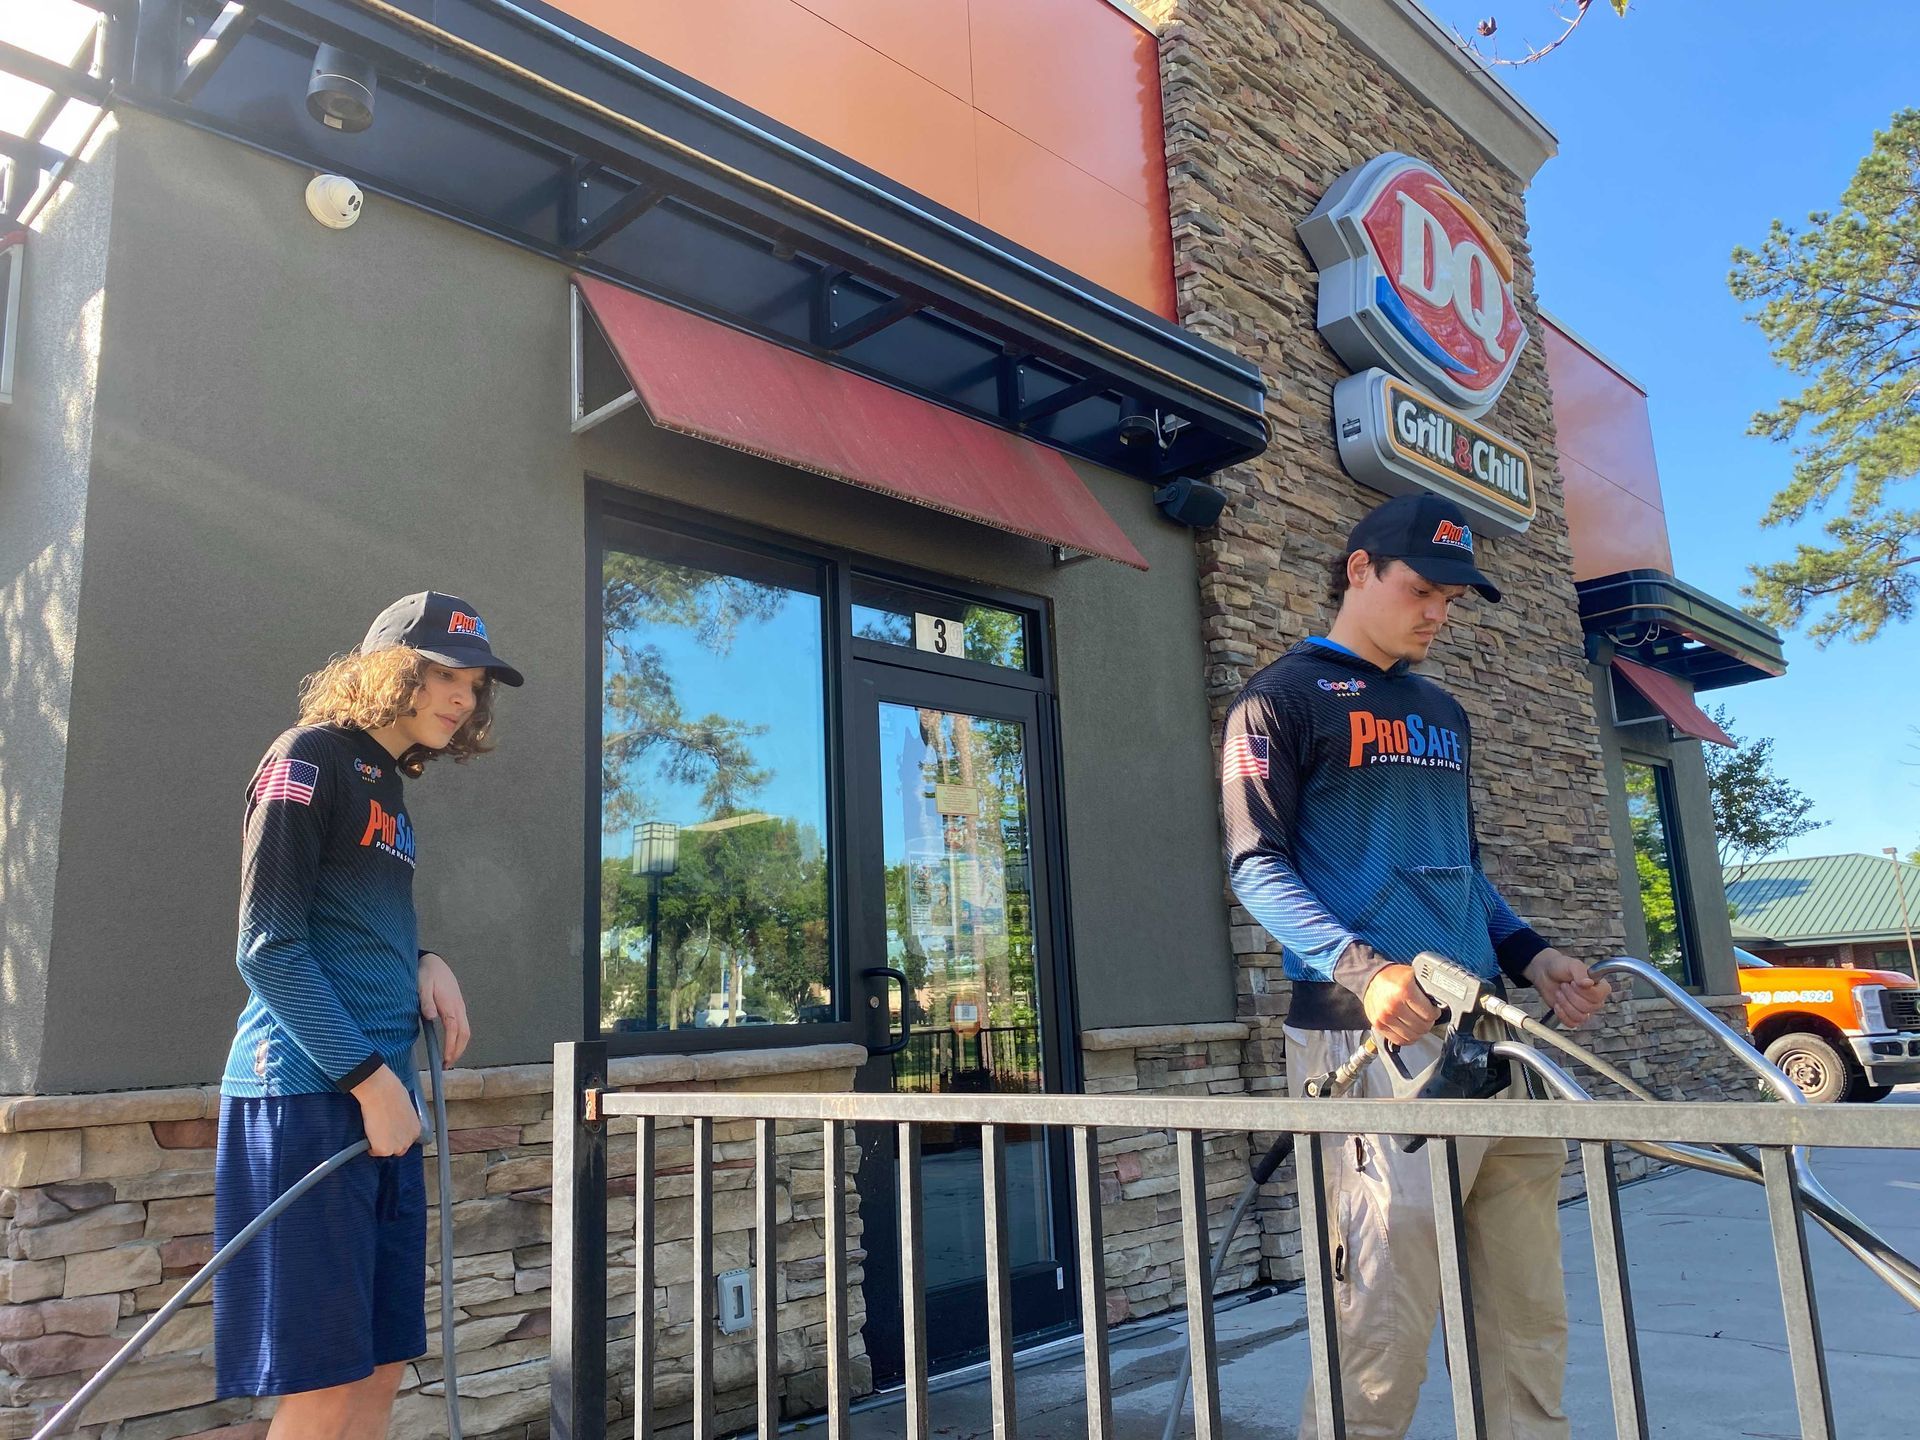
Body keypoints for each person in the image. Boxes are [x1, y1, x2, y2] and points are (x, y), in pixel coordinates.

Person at [1220, 493, 1610, 1440]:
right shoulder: (1281, 699)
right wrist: (1363, 968)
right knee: (1379, 1339)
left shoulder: (1445, 712)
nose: (1440, 610)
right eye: (1423, 589)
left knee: (1528, 1327)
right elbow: (1253, 864)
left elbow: (1462, 872)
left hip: (1494, 1047)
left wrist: (1534, 953)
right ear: (1359, 571)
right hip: (1370, 1050)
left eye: (1455, 597)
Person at [213, 592, 523, 1440]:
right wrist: (371, 1083)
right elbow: (268, 944)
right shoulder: (307, 758)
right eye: (444, 673)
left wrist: (427, 959)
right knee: (321, 1379)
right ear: (389, 668)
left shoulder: (388, 784)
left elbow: (347, 921)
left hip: (380, 1103)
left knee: (381, 1366)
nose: (463, 697)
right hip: (311, 1096)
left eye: (475, 683)